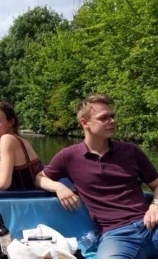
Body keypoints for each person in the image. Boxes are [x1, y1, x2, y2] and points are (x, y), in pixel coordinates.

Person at [34, 94, 158, 259]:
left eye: (112, 116)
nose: (112, 121)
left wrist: (155, 206)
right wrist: (59, 187)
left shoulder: (130, 151)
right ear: (85, 123)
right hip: (117, 235)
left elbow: (156, 184)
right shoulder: (69, 157)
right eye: (104, 118)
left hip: (152, 223)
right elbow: (39, 178)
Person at [0, 101, 44, 190]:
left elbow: (3, 184)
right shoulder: (21, 140)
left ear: (11, 122)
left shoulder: (7, 139)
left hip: (23, 198)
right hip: (30, 193)